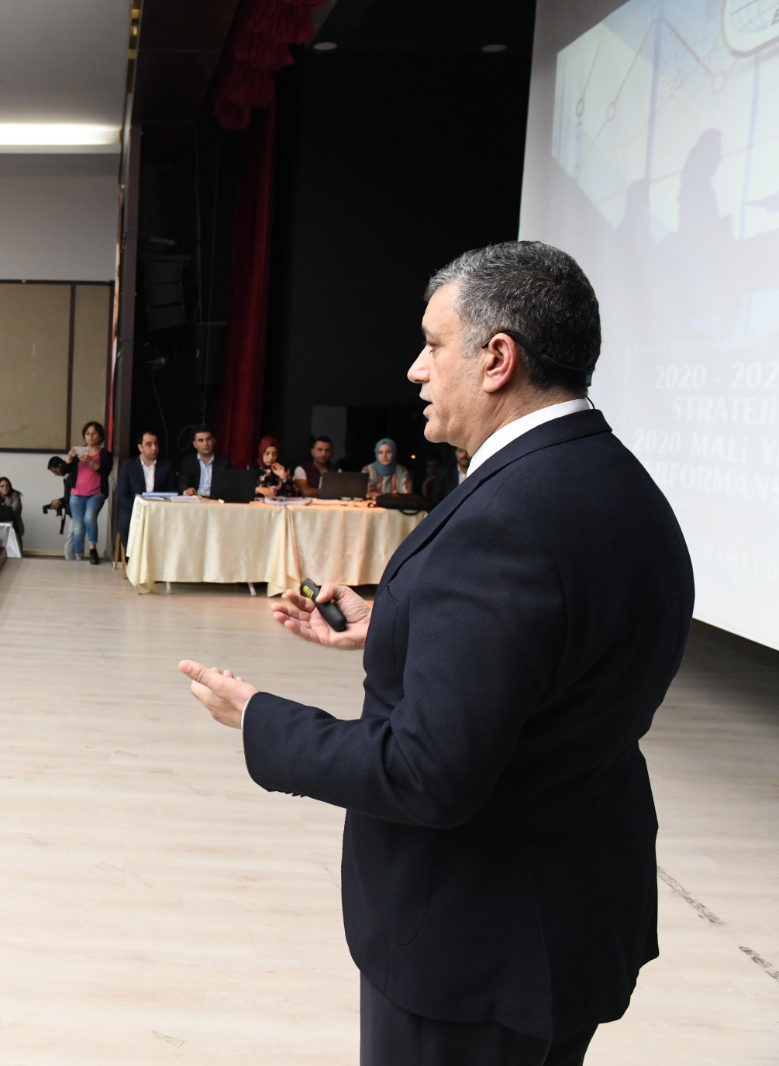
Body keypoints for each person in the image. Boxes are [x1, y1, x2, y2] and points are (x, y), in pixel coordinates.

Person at [180, 240, 695, 1065]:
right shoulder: (619, 486)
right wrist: (393, 628)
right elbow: (558, 656)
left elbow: (429, 773)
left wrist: (260, 722)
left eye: (431, 344)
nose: (416, 370)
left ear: (498, 358)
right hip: (573, 914)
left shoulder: (504, 521)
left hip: (472, 944)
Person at [62, 420, 112, 564]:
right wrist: (70, 458)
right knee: (77, 528)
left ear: (100, 437)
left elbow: (105, 471)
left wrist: (90, 461)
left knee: (89, 518)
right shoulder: (79, 452)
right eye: (87, 433)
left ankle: (92, 548)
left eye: (94, 433)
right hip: (76, 495)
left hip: (96, 493)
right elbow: (65, 471)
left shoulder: (105, 455)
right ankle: (78, 557)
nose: (90, 436)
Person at [115, 431, 174, 548]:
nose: (154, 448)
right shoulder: (128, 465)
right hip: (134, 508)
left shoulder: (167, 465)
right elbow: (122, 495)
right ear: (140, 447)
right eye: (149, 444)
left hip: (159, 509)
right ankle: (132, 559)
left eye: (156, 444)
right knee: (126, 523)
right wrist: (139, 508)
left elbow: (172, 491)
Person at [178, 425, 229, 497]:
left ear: (214, 441)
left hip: (216, 501)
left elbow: (228, 486)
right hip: (195, 499)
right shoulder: (187, 462)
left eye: (208, 439)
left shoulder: (224, 463)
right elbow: (182, 482)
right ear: (195, 444)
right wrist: (186, 490)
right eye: (201, 440)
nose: (205, 443)